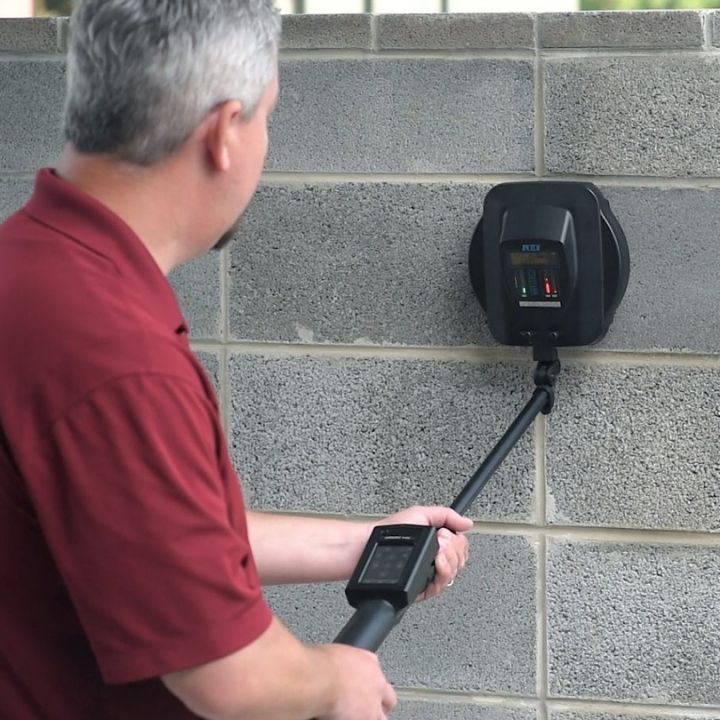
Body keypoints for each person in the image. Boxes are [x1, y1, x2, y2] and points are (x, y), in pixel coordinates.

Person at [0, 1, 472, 719]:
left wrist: (361, 543)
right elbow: (228, 676)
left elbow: (143, 532)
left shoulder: (26, 267)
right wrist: (334, 678)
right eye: (266, 116)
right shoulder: (115, 355)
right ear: (224, 132)